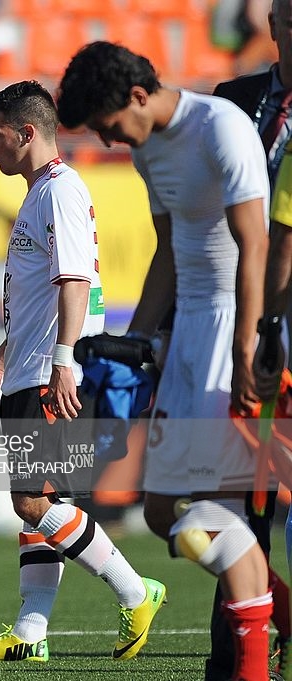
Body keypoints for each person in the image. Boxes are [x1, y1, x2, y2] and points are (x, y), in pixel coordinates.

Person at [57, 41, 274, 681]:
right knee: (161, 511)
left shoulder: (221, 129)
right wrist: (135, 339)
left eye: (107, 125)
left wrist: (246, 345)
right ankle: (272, 615)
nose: (109, 140)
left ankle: (254, 664)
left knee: (202, 510)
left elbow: (254, 243)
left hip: (231, 329)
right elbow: (171, 251)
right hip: (187, 338)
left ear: (139, 96)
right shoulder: (150, 148)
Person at [0, 79, 166, 664]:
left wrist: (64, 362)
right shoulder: (38, 193)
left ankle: (135, 589)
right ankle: (30, 632)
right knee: (41, 504)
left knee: (30, 503)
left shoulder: (59, 191)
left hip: (51, 373)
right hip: (28, 370)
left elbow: (76, 281)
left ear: (26, 133)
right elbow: (34, 303)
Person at [209, 1, 292, 676]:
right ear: (273, 22)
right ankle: (237, 654)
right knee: (243, 497)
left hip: (273, 323)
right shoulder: (236, 103)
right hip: (254, 324)